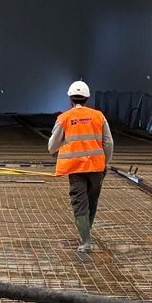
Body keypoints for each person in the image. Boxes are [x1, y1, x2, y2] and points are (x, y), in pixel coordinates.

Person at [47, 81, 113, 252]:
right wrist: (105, 162)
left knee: (79, 203)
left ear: (70, 98)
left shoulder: (64, 118)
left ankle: (86, 241)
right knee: (92, 201)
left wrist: (60, 148)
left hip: (76, 169)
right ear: (87, 98)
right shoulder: (99, 116)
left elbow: (52, 146)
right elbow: (108, 142)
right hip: (97, 168)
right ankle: (87, 235)